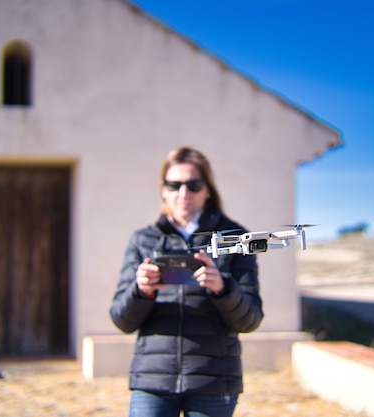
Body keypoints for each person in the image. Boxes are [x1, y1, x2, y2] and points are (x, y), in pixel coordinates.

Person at [110, 146, 264, 417]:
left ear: (208, 189)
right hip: (151, 381)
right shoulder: (141, 240)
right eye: (175, 184)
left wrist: (223, 288)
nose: (184, 194)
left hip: (214, 381)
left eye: (193, 185)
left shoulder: (237, 239)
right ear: (163, 188)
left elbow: (250, 320)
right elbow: (122, 320)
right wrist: (141, 291)